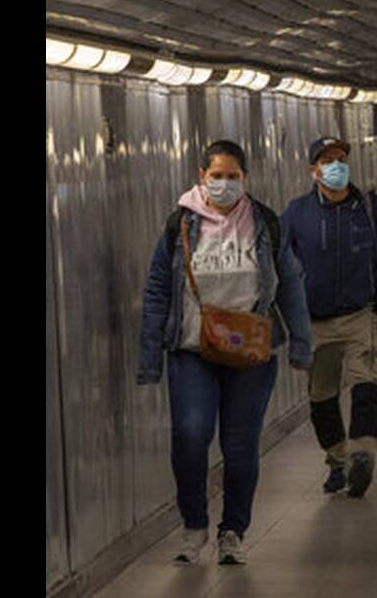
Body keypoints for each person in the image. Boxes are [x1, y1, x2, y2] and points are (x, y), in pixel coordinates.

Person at [138, 139, 312, 565]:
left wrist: (301, 344)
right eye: (216, 176)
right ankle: (194, 523)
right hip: (191, 348)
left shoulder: (264, 223)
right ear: (202, 176)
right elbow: (158, 288)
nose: (225, 183)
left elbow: (290, 283)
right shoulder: (180, 224)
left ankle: (232, 530)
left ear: (245, 178)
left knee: (239, 444)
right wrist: (150, 356)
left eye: (233, 176)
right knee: (191, 434)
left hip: (249, 348)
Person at [279, 137, 377, 500]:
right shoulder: (297, 214)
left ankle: (362, 453)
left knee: (368, 384)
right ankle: (338, 460)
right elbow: (279, 265)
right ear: (313, 170)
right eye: (326, 160)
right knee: (322, 397)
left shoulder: (371, 208)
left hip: (361, 315)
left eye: (340, 159)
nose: (335, 166)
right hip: (315, 321)